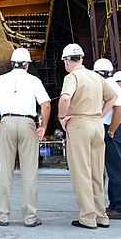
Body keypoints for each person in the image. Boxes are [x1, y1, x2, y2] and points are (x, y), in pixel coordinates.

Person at [0, 47, 51, 227]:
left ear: (12, 64)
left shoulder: (0, 80)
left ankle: (2, 215)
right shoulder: (34, 80)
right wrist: (43, 126)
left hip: (6, 123)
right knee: (29, 173)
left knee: (5, 171)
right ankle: (30, 218)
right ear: (27, 64)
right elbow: (46, 105)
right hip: (28, 124)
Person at [58, 44, 117, 229]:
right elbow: (113, 96)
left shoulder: (72, 76)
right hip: (96, 125)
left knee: (81, 171)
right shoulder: (96, 76)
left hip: (79, 124)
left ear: (67, 61)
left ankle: (88, 217)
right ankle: (102, 216)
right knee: (97, 172)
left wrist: (61, 117)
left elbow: (66, 98)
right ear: (82, 59)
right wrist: (100, 114)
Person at [102, 68, 121, 220]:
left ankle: (118, 206)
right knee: (113, 168)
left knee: (115, 169)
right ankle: (114, 204)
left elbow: (118, 109)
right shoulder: (113, 84)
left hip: (114, 130)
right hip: (114, 130)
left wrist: (111, 132)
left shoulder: (110, 85)